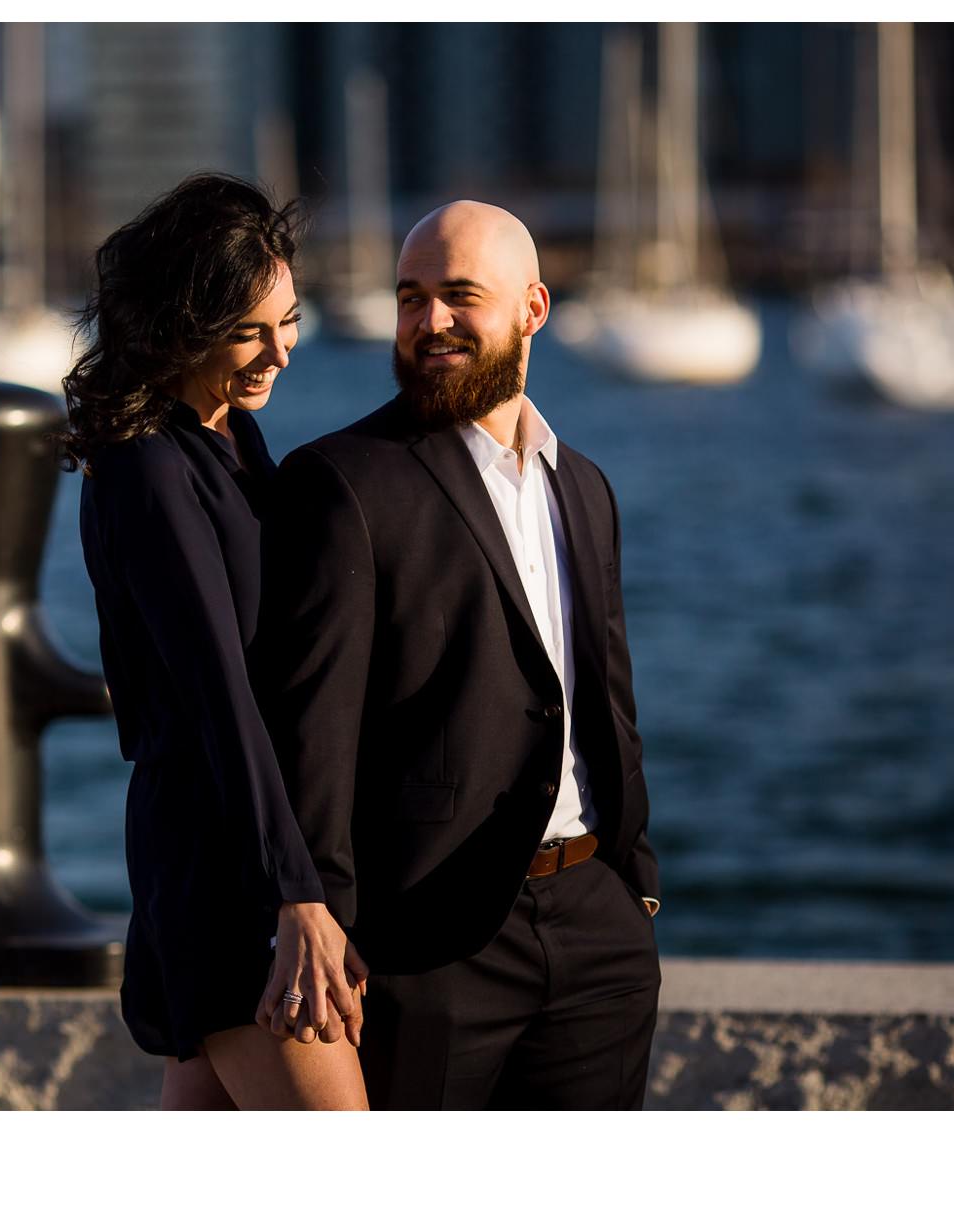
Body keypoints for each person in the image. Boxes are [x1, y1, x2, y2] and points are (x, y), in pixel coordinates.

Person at [257, 200, 661, 1110]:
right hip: (430, 949)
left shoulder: (583, 485)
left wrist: (635, 884)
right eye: (411, 297)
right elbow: (311, 724)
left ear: (534, 308)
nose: (429, 321)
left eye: (458, 296)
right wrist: (319, 909)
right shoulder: (341, 481)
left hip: (598, 928)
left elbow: (609, 696)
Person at [63, 174, 368, 1110]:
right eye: (249, 331)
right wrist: (297, 899)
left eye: (290, 320)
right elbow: (216, 696)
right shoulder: (149, 470)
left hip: (228, 851)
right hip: (229, 873)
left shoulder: (227, 436)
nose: (280, 352)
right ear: (175, 326)